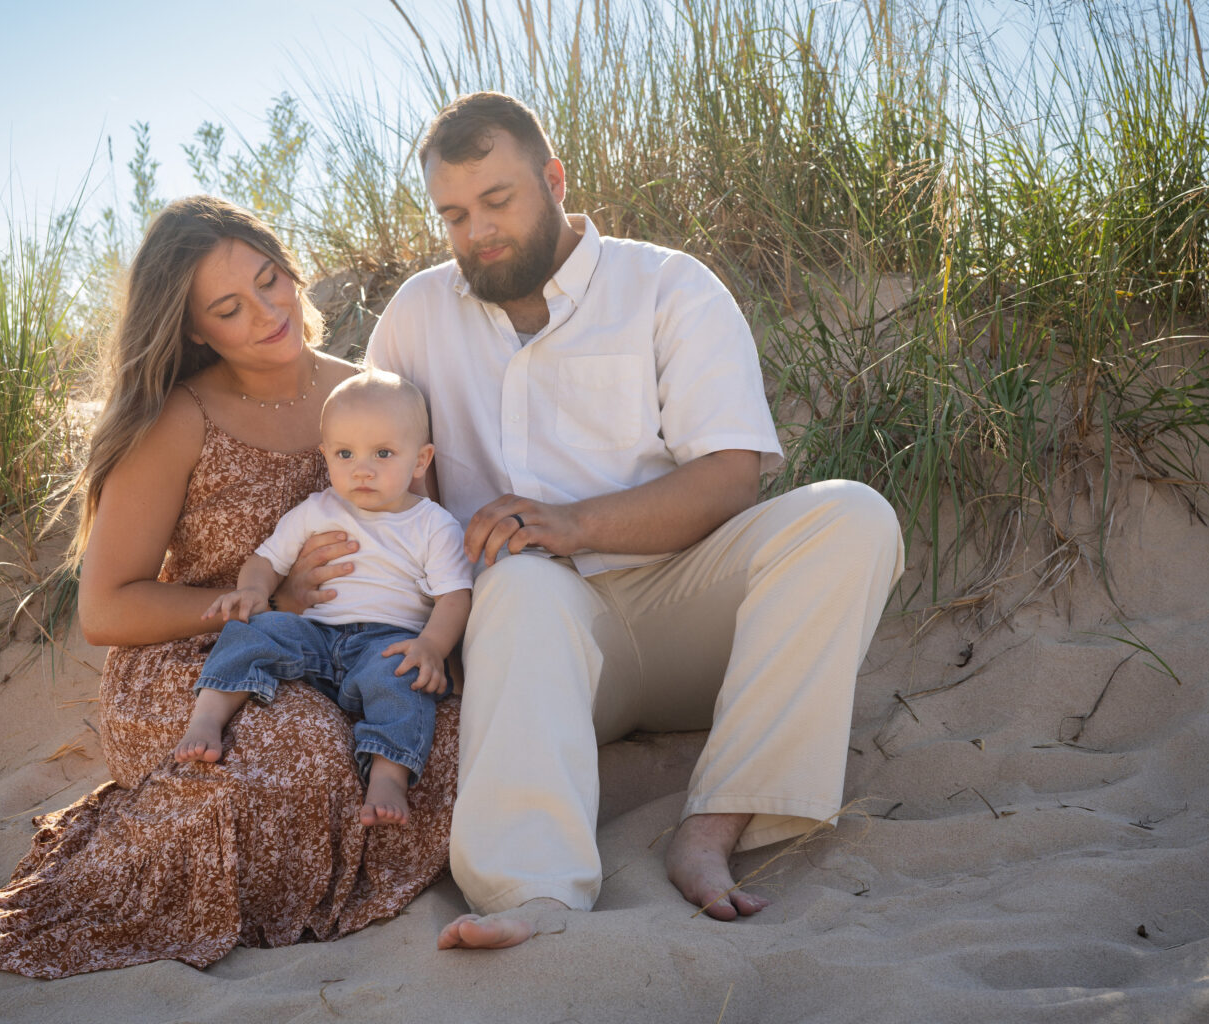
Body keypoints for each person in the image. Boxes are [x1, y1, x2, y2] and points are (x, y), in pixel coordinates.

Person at [364, 92, 905, 950]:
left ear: (555, 179)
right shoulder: (416, 317)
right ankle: (533, 893)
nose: (478, 233)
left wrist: (574, 523)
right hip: (540, 648)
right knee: (516, 585)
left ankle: (714, 826)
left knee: (852, 516)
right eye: (454, 215)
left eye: (498, 201)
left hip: (689, 608)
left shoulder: (667, 286)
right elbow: (375, 476)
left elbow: (729, 476)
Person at [0, 196, 459, 978]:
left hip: (358, 651)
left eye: (272, 281)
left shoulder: (368, 398)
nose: (269, 313)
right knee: (302, 753)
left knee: (444, 736)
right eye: (231, 308)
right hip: (203, 662)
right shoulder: (179, 417)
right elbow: (105, 608)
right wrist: (272, 600)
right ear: (196, 328)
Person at [174, 370, 472, 827]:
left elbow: (454, 597)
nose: (362, 468)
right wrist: (253, 591)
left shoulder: (433, 525)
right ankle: (207, 718)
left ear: (421, 459)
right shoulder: (317, 509)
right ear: (325, 456)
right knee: (251, 631)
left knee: (404, 683)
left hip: (385, 643)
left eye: (384, 453)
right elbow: (265, 560)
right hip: (313, 633)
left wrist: (431, 647)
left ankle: (388, 776)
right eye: (345, 453)